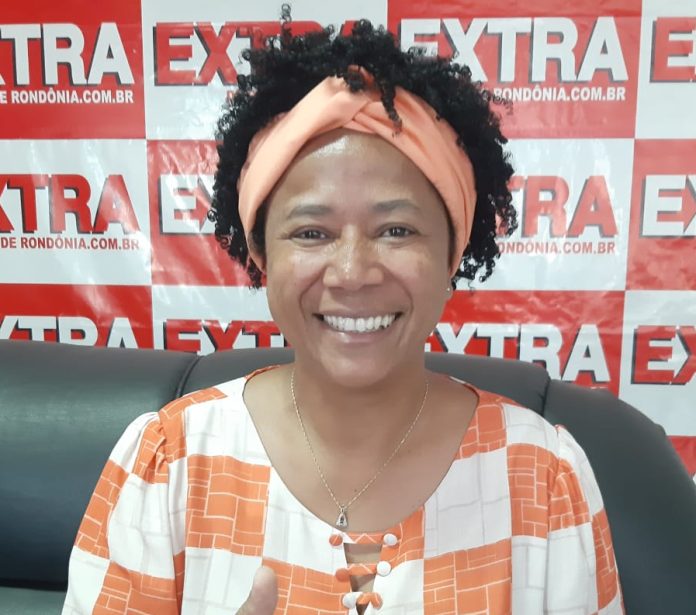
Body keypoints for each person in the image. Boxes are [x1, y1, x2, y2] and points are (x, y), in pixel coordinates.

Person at [62, 19, 623, 615]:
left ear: (452, 253)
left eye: (396, 230)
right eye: (312, 232)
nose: (352, 273)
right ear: (261, 254)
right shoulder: (170, 463)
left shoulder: (541, 478)